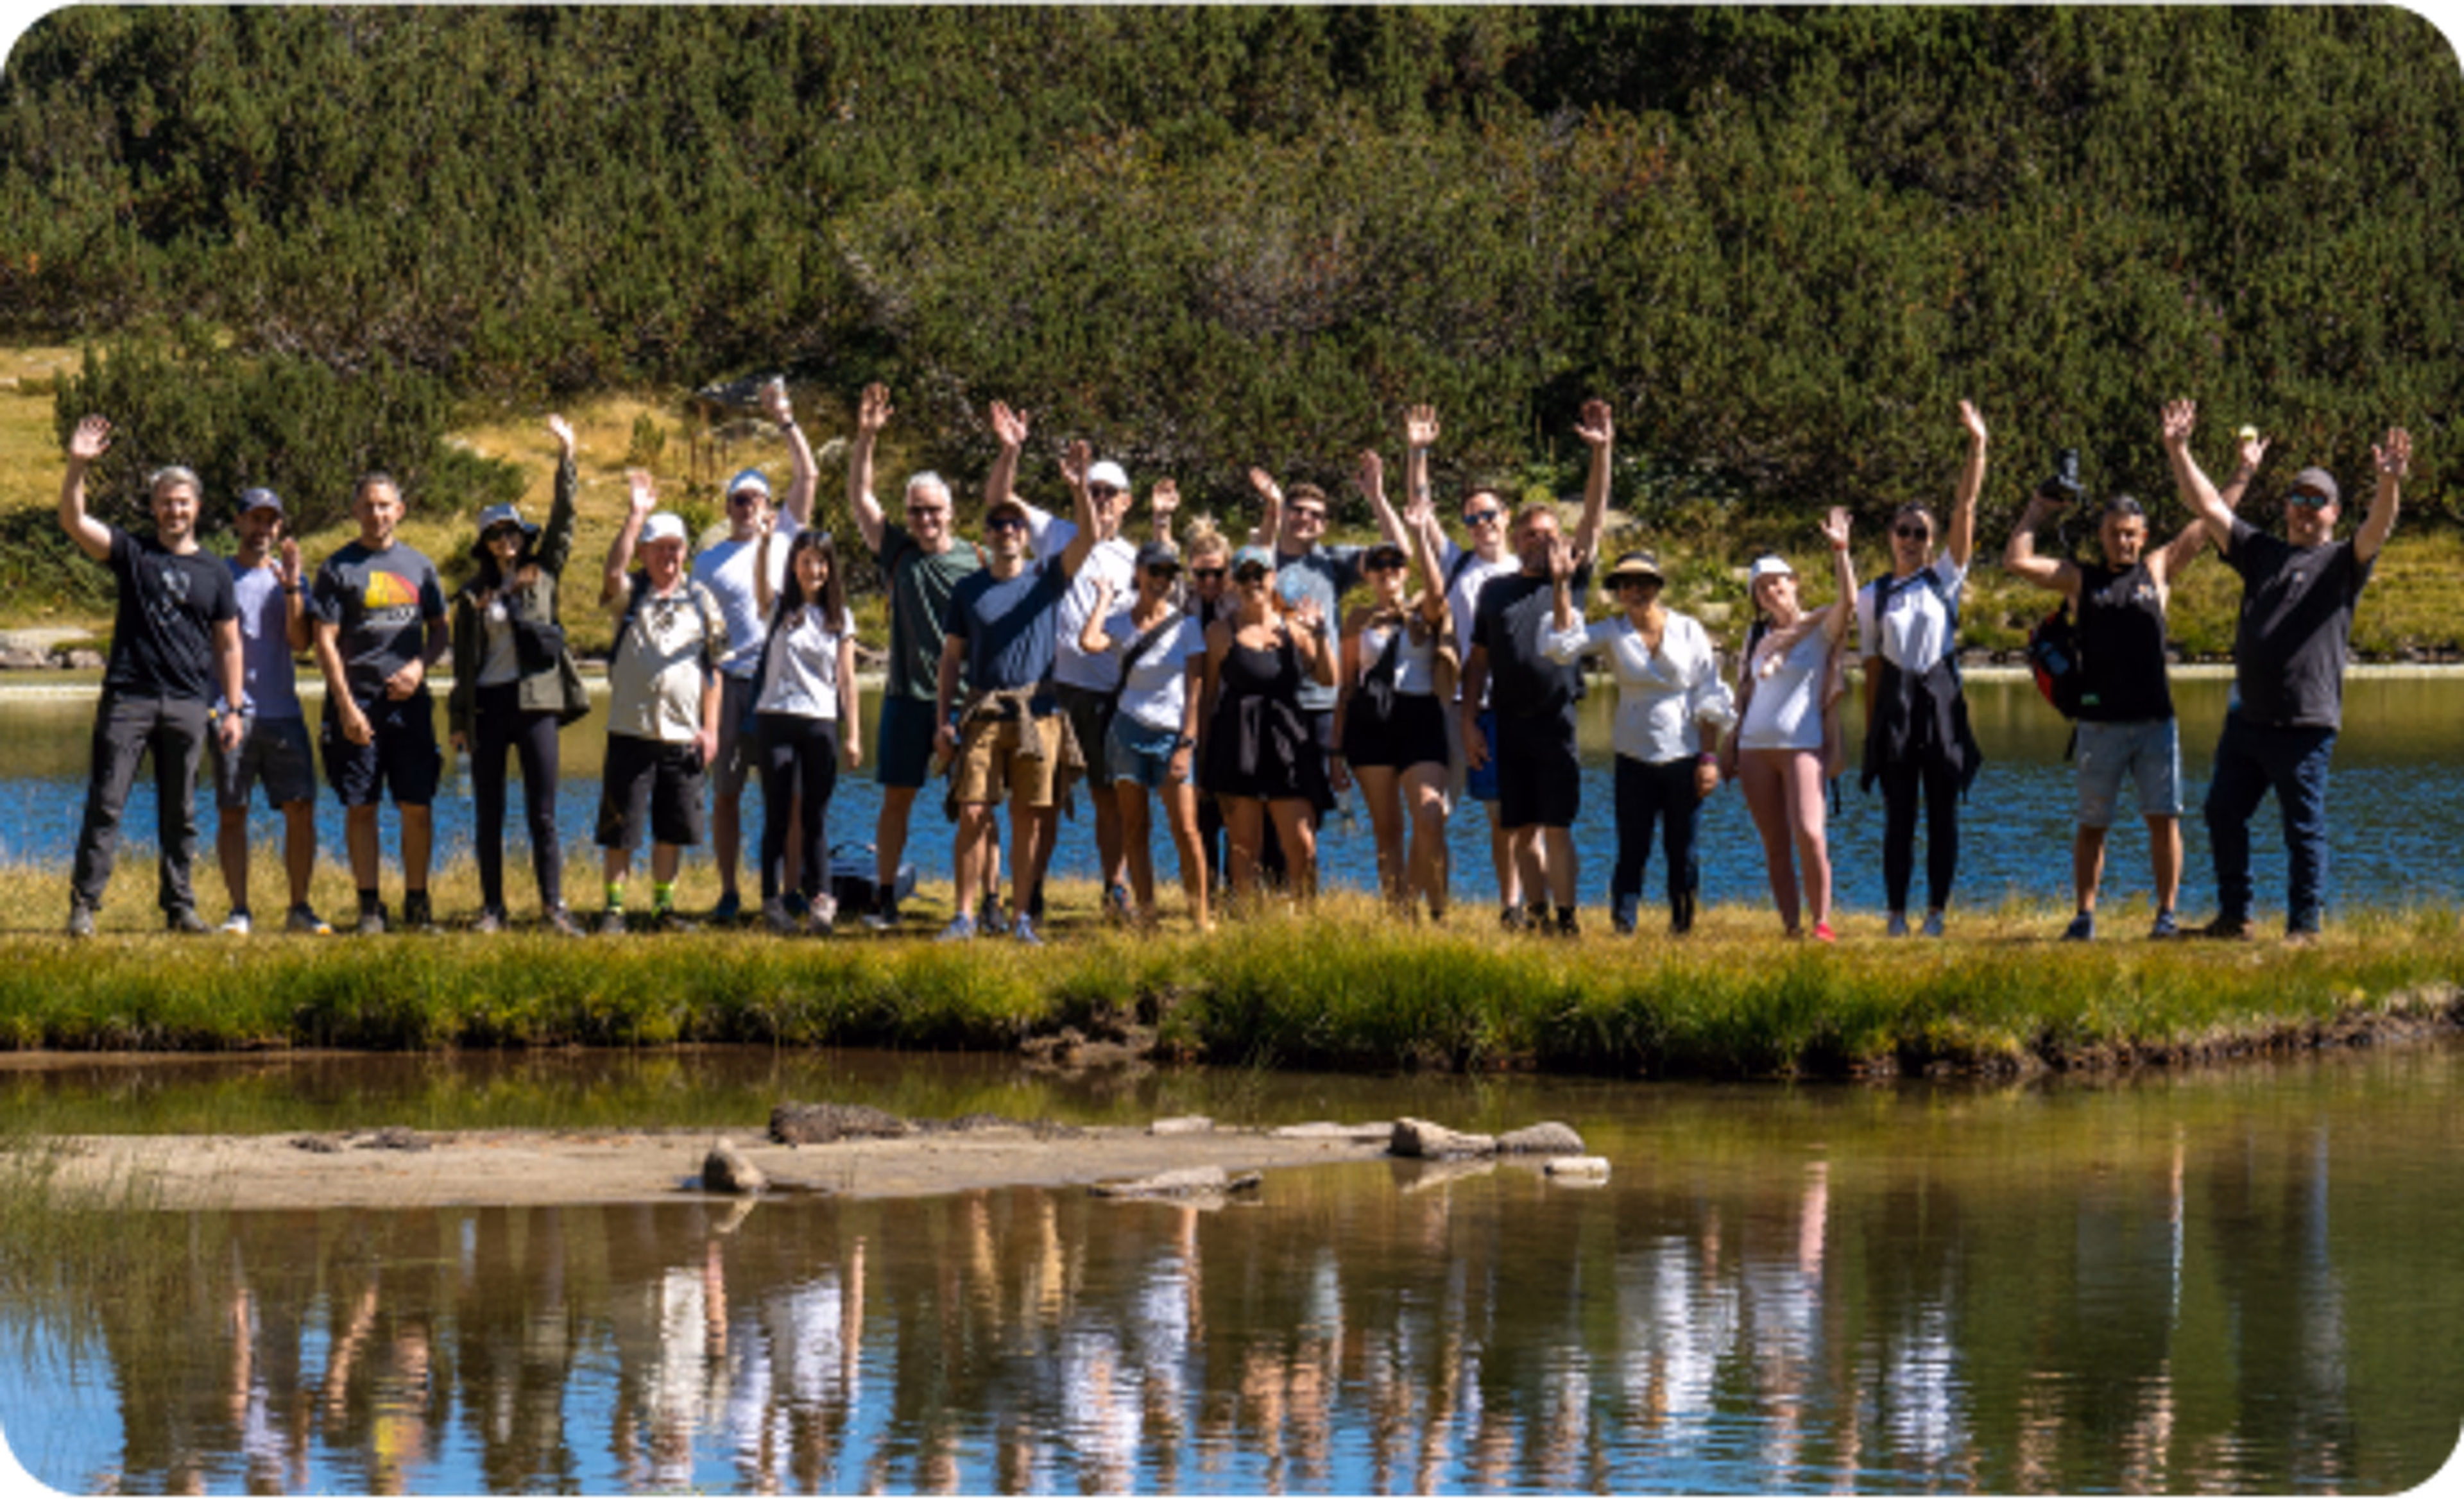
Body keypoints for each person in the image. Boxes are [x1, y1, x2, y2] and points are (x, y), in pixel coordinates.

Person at [2162, 400, 2410, 943]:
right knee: (2223, 813)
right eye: (2297, 498)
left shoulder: (2346, 561)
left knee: (2303, 831)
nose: (2304, 508)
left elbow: (2379, 528)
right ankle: (2236, 918)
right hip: (2247, 721)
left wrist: (2388, 483)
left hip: (2306, 725)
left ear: (2334, 513)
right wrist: (2179, 449)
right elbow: (2207, 506)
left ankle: (2304, 928)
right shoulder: (2260, 552)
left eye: (2316, 501)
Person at [2005, 434, 2233, 941]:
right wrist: (2038, 508)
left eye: (2131, 534)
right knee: (2093, 825)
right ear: (2101, 534)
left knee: (2163, 821)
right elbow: (2018, 561)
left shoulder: (2158, 569)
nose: (2123, 542)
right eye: (2114, 533)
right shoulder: (2080, 580)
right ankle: (2084, 917)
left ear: (2144, 534)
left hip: (2155, 722)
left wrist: (2242, 473)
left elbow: (2211, 521)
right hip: (2099, 725)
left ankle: (2166, 916)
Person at [56, 415, 244, 937]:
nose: (174, 509)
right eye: (165, 500)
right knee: (107, 805)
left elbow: (229, 644)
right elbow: (73, 521)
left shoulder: (216, 573)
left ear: (197, 508)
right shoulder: (133, 554)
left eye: (182, 501)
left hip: (188, 703)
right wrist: (78, 464)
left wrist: (233, 708)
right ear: (154, 507)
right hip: (129, 699)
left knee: (180, 813)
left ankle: (180, 908)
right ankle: (84, 908)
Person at [1456, 398, 1616, 935]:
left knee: (1558, 825)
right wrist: (1468, 720)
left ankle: (1567, 919)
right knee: (1518, 827)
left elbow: (1594, 514)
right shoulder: (1496, 591)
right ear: (1516, 539)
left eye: (1549, 534)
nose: (1540, 541)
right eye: (1530, 535)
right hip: (1506, 719)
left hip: (1556, 719)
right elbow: (1477, 661)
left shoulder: (1571, 578)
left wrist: (1601, 453)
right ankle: (1538, 914)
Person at [934, 438, 1103, 944]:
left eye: (1015, 525)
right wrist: (943, 718)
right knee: (973, 809)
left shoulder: (1047, 579)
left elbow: (1090, 539)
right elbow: (950, 659)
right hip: (985, 710)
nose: (1007, 531)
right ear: (985, 537)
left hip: (1040, 712)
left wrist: (1078, 490)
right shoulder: (967, 590)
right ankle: (964, 916)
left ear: (1026, 536)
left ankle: (1021, 917)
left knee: (1029, 818)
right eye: (998, 525)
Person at [984, 402, 1144, 921]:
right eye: (1090, 490)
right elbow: (999, 500)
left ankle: (1113, 888)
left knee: (1106, 797)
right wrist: (1011, 450)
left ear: (1126, 501)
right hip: (1051, 688)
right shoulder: (1054, 531)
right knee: (1042, 799)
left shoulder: (1134, 560)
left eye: (1107, 493)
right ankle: (1030, 893)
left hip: (1106, 693)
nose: (1099, 500)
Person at [844, 382, 988, 932]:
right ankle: (884, 898)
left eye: (933, 512)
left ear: (951, 512)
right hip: (906, 700)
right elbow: (860, 497)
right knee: (896, 801)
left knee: (978, 811)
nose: (925, 520)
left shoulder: (974, 560)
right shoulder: (897, 552)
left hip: (963, 702)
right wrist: (866, 438)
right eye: (916, 511)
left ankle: (982, 904)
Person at [445, 416, 592, 936]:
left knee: (543, 813)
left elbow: (565, 519)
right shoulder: (469, 596)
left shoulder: (544, 573)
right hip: (488, 705)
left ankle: (554, 908)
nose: (505, 540)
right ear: (485, 543)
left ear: (522, 537)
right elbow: (463, 668)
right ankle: (493, 910)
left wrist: (567, 456)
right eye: (495, 534)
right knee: (489, 813)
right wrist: (458, 721)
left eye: (512, 531)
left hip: (537, 704)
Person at [1542, 549, 1735, 935]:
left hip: (1684, 755)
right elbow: (1562, 646)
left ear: (1657, 587)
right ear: (1618, 592)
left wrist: (1709, 758)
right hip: (1633, 758)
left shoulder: (1688, 630)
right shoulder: (1613, 632)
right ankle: (1623, 925)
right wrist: (1562, 584)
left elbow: (1709, 695)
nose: (1636, 591)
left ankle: (1682, 925)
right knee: (1633, 848)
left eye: (1644, 583)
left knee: (1683, 851)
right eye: (1627, 584)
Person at [1857, 400, 1989, 938]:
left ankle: (1936, 912)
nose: (1911, 540)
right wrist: (1871, 730)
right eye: (1903, 531)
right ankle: (1895, 914)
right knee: (1899, 816)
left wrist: (1976, 446)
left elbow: (1966, 506)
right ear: (1890, 535)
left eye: (1920, 533)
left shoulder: (1945, 579)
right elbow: (1869, 666)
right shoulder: (1873, 595)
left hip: (1940, 705)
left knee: (1942, 814)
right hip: (1895, 709)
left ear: (1931, 542)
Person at [689, 379, 818, 923]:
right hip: (730, 683)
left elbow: (809, 474)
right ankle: (728, 892)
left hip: (780, 684)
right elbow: (698, 639)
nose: (749, 508)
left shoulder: (787, 539)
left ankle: (789, 889)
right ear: (729, 506)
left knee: (786, 796)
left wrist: (785, 419)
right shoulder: (707, 561)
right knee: (726, 795)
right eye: (740, 500)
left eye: (757, 499)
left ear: (770, 505)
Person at [1394, 404, 1528, 920]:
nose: (1480, 525)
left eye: (1488, 515)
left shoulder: (1524, 569)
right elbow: (1419, 511)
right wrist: (1418, 453)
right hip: (1454, 703)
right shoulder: (1458, 563)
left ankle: (1511, 906)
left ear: (1506, 518)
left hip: (1510, 706)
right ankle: (1424, 910)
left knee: (1502, 816)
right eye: (1471, 518)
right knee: (1434, 813)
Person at [308, 472, 450, 935]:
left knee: (417, 806)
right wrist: (346, 706)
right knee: (361, 806)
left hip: (409, 705)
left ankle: (417, 903)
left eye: (385, 505)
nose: (377, 514)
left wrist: (420, 667)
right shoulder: (336, 569)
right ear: (356, 511)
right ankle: (370, 906)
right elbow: (323, 643)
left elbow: (441, 630)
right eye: (369, 505)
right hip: (357, 702)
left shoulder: (420, 567)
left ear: (400, 511)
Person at [595, 470, 727, 933]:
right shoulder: (629, 596)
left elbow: (715, 671)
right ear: (646, 552)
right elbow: (612, 573)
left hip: (681, 732)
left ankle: (662, 910)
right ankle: (614, 909)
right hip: (630, 728)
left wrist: (711, 731)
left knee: (672, 827)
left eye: (675, 548)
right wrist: (635, 518)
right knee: (621, 827)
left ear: (684, 552)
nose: (667, 556)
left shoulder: (702, 600)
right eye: (658, 548)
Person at [1333, 449, 1455, 921]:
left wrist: (1420, 531)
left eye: (1395, 567)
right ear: (1368, 574)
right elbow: (1346, 684)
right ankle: (1398, 915)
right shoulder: (1359, 619)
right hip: (1370, 724)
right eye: (1379, 568)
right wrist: (1335, 750)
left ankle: (1439, 912)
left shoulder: (1424, 607)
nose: (1388, 575)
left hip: (1419, 717)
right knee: (1388, 830)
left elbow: (1439, 591)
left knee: (1429, 816)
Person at [1724, 512, 1858, 941]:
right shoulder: (1755, 637)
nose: (1772, 590)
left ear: (1794, 582)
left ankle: (1821, 921)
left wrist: (1841, 551)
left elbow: (1850, 602)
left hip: (1803, 745)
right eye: (1763, 587)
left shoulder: (1819, 629)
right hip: (1754, 748)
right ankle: (1791, 926)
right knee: (1775, 843)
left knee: (1811, 832)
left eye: (1779, 581)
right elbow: (1745, 694)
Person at [210, 486, 327, 936]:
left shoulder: (289, 577)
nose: (263, 529)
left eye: (270, 521)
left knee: (300, 807)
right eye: (254, 519)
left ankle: (299, 906)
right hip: (229, 711)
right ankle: (239, 910)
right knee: (232, 810)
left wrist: (294, 583)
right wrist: (222, 707)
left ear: (279, 528)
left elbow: (301, 643)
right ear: (238, 523)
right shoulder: (219, 575)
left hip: (283, 710)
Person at [1076, 540, 1210, 930]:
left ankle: (1200, 916)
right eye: (1155, 571)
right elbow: (1089, 641)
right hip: (1127, 732)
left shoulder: (1186, 626)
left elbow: (1196, 689)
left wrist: (1187, 741)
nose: (1162, 580)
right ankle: (1148, 917)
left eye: (1170, 573)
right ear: (1139, 572)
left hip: (1171, 737)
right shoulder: (1119, 621)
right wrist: (1103, 598)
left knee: (1186, 829)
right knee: (1135, 828)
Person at [1199, 546, 1338, 907]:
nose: (1252, 583)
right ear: (1234, 582)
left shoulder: (1294, 628)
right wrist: (1202, 757)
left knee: (1302, 843)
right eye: (1243, 576)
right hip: (1237, 743)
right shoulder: (1220, 632)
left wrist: (1321, 635)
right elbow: (1207, 698)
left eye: (1258, 575)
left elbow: (1328, 679)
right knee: (1244, 848)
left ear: (1272, 578)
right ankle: (1248, 928)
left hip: (1289, 742)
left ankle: (1306, 925)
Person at [749, 526, 862, 934]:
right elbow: (759, 583)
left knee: (816, 815)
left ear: (830, 568)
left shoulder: (840, 618)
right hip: (776, 718)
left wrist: (853, 736)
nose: (814, 569)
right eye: (806, 561)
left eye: (821, 562)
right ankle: (771, 902)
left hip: (821, 722)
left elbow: (847, 680)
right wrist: (764, 544)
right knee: (777, 814)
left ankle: (822, 902)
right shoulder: (778, 608)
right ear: (794, 566)